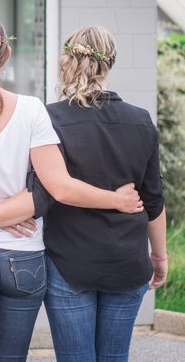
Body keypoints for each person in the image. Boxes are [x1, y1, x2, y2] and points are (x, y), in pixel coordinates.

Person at [0, 16, 144, 362]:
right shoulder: (33, 109)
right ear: (6, 57)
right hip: (24, 257)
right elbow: (54, 187)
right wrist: (2, 217)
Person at [35, 26, 167, 362]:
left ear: (69, 59)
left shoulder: (51, 118)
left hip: (68, 263)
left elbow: (44, 190)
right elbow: (153, 201)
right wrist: (159, 257)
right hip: (127, 262)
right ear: (110, 63)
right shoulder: (141, 121)